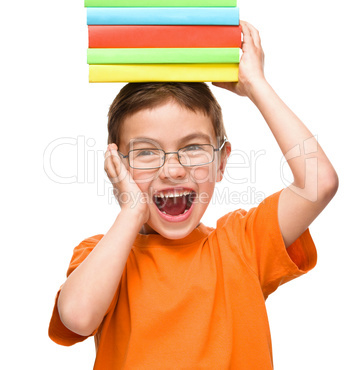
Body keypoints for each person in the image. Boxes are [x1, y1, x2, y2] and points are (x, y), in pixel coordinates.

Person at [49, 21, 338, 369]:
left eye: (193, 148)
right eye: (146, 152)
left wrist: (256, 85)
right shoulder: (104, 255)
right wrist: (130, 212)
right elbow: (78, 317)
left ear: (221, 162)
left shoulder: (243, 245)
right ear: (116, 166)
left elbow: (319, 182)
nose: (172, 170)